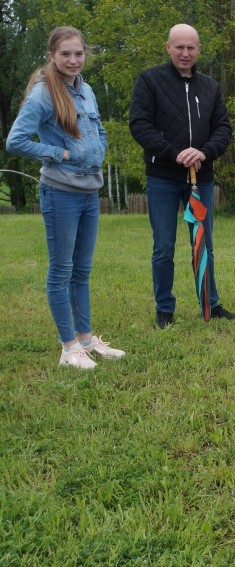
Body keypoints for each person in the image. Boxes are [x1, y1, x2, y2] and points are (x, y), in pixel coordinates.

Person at [6, 26, 125, 369]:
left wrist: (99, 145)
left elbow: (98, 128)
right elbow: (15, 140)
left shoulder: (85, 89)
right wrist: (59, 154)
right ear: (52, 56)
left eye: (79, 53)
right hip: (60, 192)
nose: (74, 60)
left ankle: (86, 340)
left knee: (82, 270)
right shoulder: (44, 93)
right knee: (61, 270)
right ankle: (68, 347)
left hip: (90, 191)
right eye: (66, 54)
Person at [129, 23, 235, 329]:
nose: (185, 53)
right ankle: (165, 309)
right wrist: (174, 152)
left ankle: (211, 304)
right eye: (179, 47)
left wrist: (204, 152)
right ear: (168, 48)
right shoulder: (150, 80)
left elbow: (223, 128)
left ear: (199, 49)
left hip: (200, 177)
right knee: (163, 245)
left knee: (204, 243)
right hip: (162, 176)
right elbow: (139, 124)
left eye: (191, 47)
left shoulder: (211, 87)